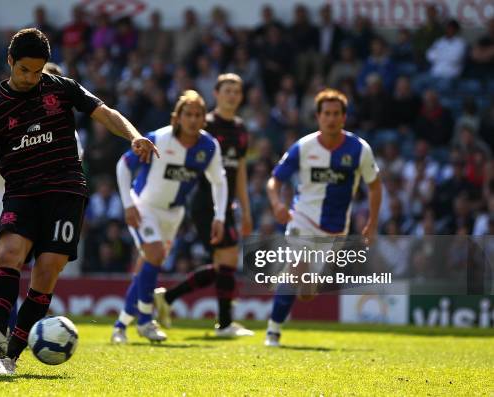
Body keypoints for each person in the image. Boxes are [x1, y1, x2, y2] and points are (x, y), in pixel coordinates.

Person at [0, 28, 157, 375]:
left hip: (65, 192)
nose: (31, 78)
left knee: (46, 272)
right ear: (10, 62)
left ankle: (10, 356)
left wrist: (134, 135)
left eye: (37, 71)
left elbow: (104, 111)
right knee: (6, 255)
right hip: (20, 193)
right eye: (24, 71)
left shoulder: (61, 89)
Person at [0, 63, 81, 328]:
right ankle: (5, 332)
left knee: (11, 263)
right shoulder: (5, 111)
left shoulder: (67, 131)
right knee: (5, 262)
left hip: (30, 196)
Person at [263, 89, 381, 347]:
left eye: (336, 114)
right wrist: (276, 203)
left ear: (344, 117)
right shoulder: (304, 147)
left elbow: (375, 185)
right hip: (302, 218)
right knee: (296, 272)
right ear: (317, 116)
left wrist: (372, 222)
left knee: (306, 293)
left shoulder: (359, 149)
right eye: (326, 113)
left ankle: (287, 279)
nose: (331, 118)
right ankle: (273, 331)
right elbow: (276, 179)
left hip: (335, 229)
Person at [111, 90, 227, 344]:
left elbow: (219, 181)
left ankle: (120, 326)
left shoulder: (208, 146)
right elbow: (123, 164)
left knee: (147, 266)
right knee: (155, 254)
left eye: (198, 115)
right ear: (178, 117)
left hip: (173, 214)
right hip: (145, 206)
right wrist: (128, 204)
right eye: (188, 114)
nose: (193, 120)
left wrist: (219, 216)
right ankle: (144, 321)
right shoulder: (159, 139)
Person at [153, 74, 254, 337]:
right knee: (228, 258)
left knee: (223, 265)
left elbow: (240, 170)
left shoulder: (241, 129)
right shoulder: (203, 124)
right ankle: (224, 324)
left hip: (225, 204)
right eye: (227, 90)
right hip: (203, 201)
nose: (232, 95)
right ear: (217, 94)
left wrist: (246, 209)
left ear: (241, 97)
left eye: (236, 91)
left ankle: (169, 298)